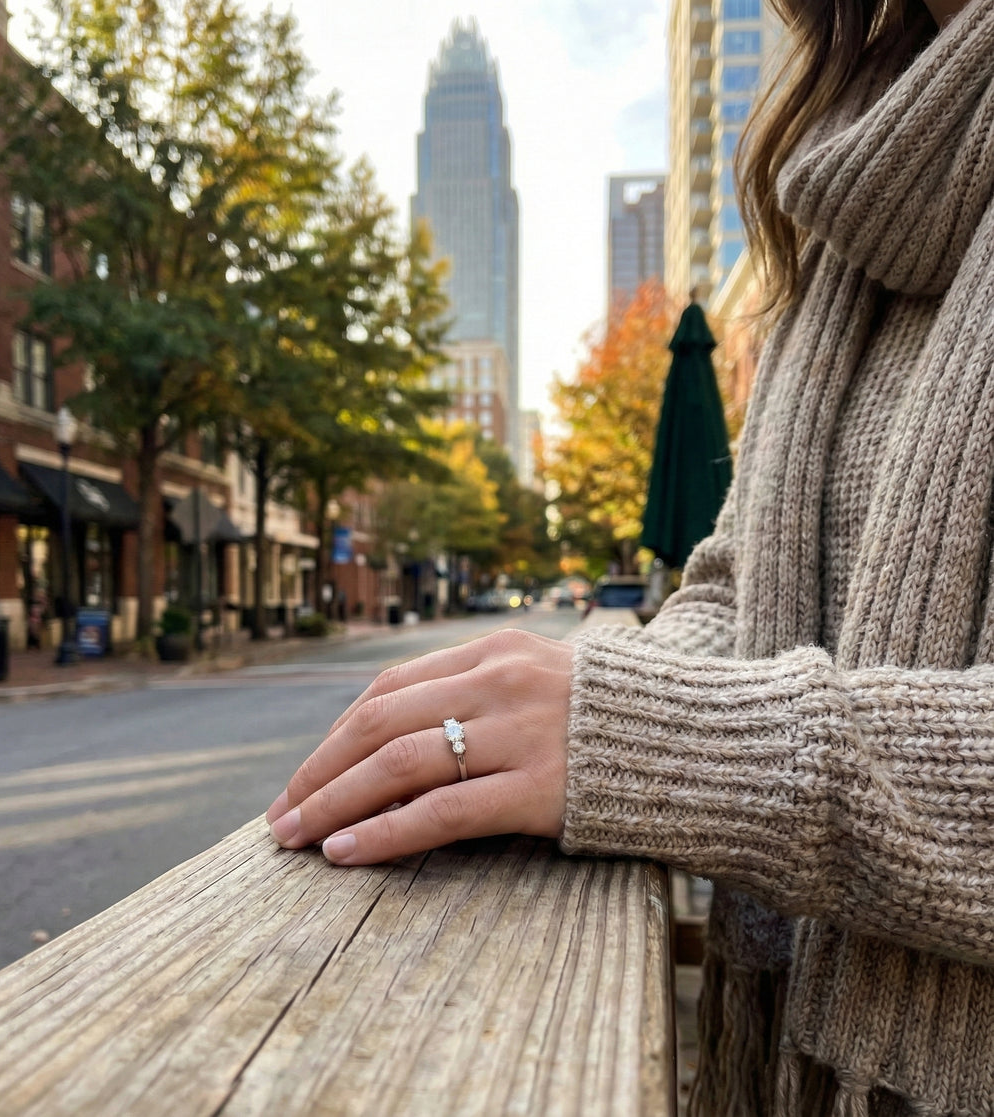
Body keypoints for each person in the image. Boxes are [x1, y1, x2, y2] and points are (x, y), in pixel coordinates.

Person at [266, 0, 994, 1111]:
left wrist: (641, 736)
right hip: (783, 1068)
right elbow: (741, 582)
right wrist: (565, 689)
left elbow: (695, 722)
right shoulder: (843, 175)